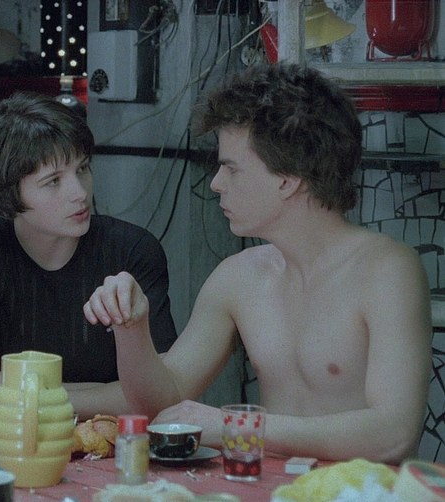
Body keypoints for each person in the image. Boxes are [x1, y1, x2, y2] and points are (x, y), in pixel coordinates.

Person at [84, 62, 432, 464]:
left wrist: (237, 427)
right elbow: (161, 405)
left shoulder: (387, 270)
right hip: (266, 488)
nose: (216, 183)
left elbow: (394, 434)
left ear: (288, 179)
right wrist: (131, 327)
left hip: (361, 489)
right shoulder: (239, 276)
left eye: (231, 168)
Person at [0, 92, 178, 418]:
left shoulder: (133, 249)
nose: (80, 193)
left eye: (82, 169)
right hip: (9, 437)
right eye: (53, 181)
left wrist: (19, 393)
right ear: (8, 190)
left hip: (109, 439)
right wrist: (108, 394)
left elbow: (158, 394)